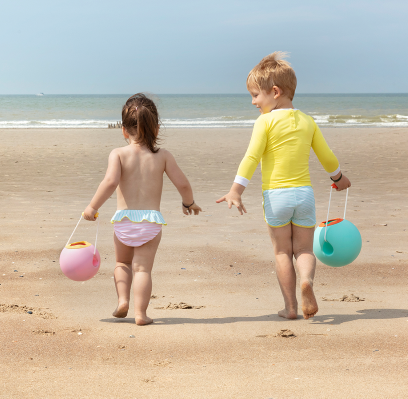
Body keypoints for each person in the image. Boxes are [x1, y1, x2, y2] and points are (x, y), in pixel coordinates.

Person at [216, 52, 351, 320]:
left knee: (281, 252)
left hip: (276, 197)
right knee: (304, 249)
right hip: (303, 195)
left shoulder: (264, 122)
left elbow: (251, 158)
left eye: (256, 95)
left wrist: (236, 190)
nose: (253, 102)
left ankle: (290, 308)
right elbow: (326, 157)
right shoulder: (307, 121)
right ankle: (307, 282)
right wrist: (338, 178)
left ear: (274, 92)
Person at [83, 93, 202, 325]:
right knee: (142, 270)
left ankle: (122, 301)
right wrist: (188, 203)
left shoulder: (118, 154)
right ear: (156, 128)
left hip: (124, 221)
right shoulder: (163, 156)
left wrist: (92, 207)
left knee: (122, 264)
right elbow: (183, 183)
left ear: (124, 130)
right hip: (150, 222)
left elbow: (109, 182)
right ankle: (141, 314)